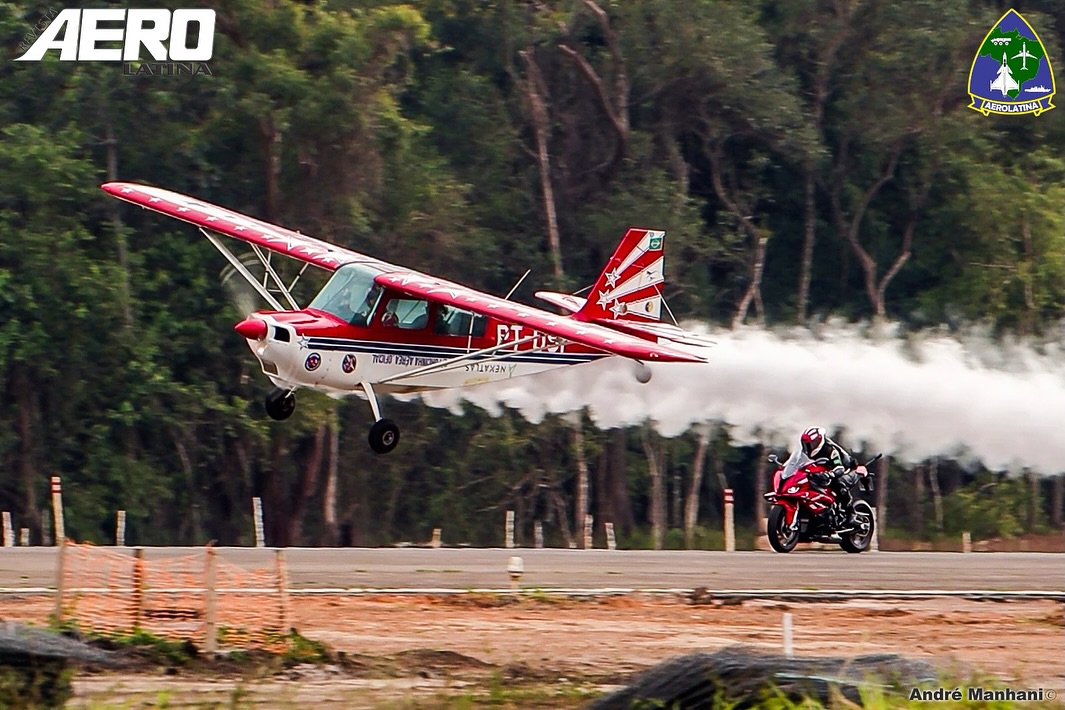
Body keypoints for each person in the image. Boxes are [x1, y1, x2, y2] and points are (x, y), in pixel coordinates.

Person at [800, 426, 860, 526]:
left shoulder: (831, 450)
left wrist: (830, 474)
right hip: (822, 472)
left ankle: (851, 514)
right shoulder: (805, 452)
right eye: (806, 444)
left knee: (839, 484)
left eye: (812, 444)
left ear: (819, 441)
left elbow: (839, 467)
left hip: (845, 469)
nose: (809, 446)